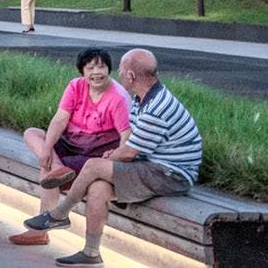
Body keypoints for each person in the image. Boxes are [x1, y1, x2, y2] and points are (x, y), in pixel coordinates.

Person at [23, 49, 202, 266]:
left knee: (94, 166)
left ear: (131, 76)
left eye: (121, 70)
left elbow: (129, 153)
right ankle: (91, 253)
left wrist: (114, 155)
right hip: (153, 166)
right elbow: (131, 144)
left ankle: (60, 214)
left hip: (171, 174)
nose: (118, 74)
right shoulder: (142, 99)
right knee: (98, 188)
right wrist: (115, 153)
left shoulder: (156, 108)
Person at [10, 48, 131, 247]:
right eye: (90, 68)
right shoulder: (76, 86)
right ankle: (58, 167)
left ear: (109, 69)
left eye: (101, 67)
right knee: (32, 133)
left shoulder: (118, 98)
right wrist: (47, 149)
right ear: (82, 71)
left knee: (47, 174)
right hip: (71, 142)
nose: (96, 72)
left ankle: (39, 232)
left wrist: (116, 158)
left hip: (94, 152)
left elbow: (127, 135)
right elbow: (60, 118)